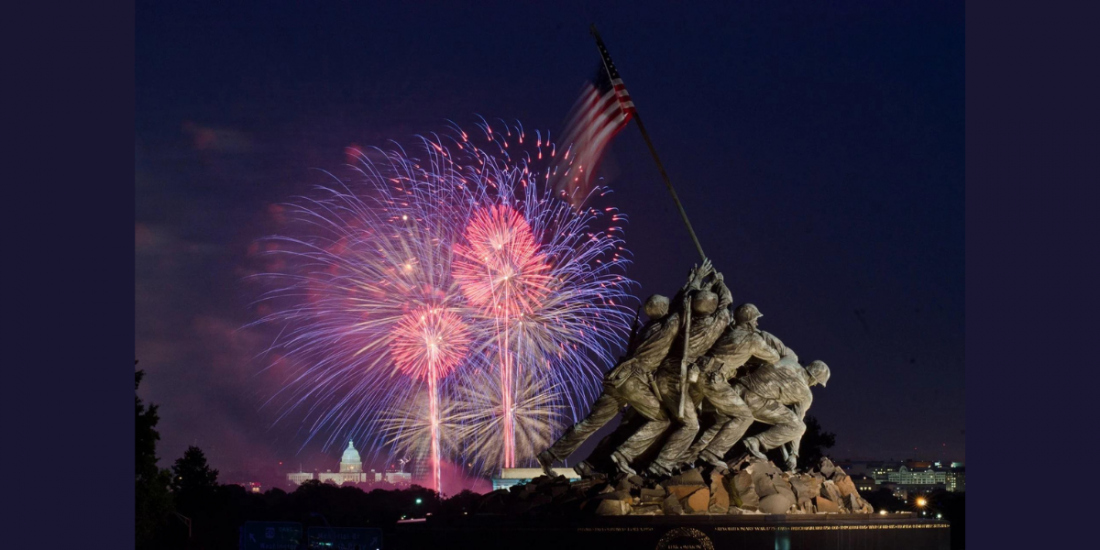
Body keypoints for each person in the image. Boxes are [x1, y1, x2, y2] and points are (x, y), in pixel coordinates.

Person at [536, 262, 711, 477]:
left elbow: (675, 306)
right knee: (662, 419)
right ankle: (623, 455)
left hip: (616, 377)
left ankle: (551, 455)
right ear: (664, 310)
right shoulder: (668, 326)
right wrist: (696, 280)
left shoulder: (648, 328)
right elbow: (682, 306)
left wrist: (692, 281)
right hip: (633, 380)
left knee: (591, 423)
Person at [637, 269, 732, 477]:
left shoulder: (679, 323)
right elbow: (727, 303)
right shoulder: (715, 325)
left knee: (670, 419)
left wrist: (698, 283)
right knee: (690, 425)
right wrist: (719, 282)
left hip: (660, 376)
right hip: (677, 380)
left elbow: (683, 303)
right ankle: (660, 466)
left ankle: (643, 459)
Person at [681, 303, 788, 469]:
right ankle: (712, 453)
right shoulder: (753, 339)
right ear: (747, 322)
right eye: (755, 320)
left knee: (718, 419)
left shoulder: (728, 333)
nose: (757, 324)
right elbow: (774, 357)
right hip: (713, 379)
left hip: (696, 376)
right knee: (745, 417)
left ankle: (686, 457)